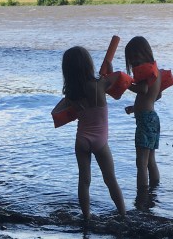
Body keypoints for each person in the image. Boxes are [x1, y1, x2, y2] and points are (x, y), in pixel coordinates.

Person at [53, 46, 126, 224]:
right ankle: (123, 215)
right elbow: (119, 79)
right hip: (100, 141)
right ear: (88, 64)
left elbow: (57, 111)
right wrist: (109, 68)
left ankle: (86, 216)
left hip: (82, 140)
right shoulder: (100, 84)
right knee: (110, 179)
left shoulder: (71, 94)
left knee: (84, 180)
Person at [123, 36, 163, 197]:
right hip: (153, 118)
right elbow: (156, 95)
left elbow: (143, 90)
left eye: (134, 57)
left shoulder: (147, 73)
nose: (133, 62)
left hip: (145, 120)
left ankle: (142, 197)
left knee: (141, 163)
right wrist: (135, 108)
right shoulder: (156, 72)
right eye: (131, 59)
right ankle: (154, 191)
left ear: (144, 53)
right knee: (150, 160)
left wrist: (126, 84)